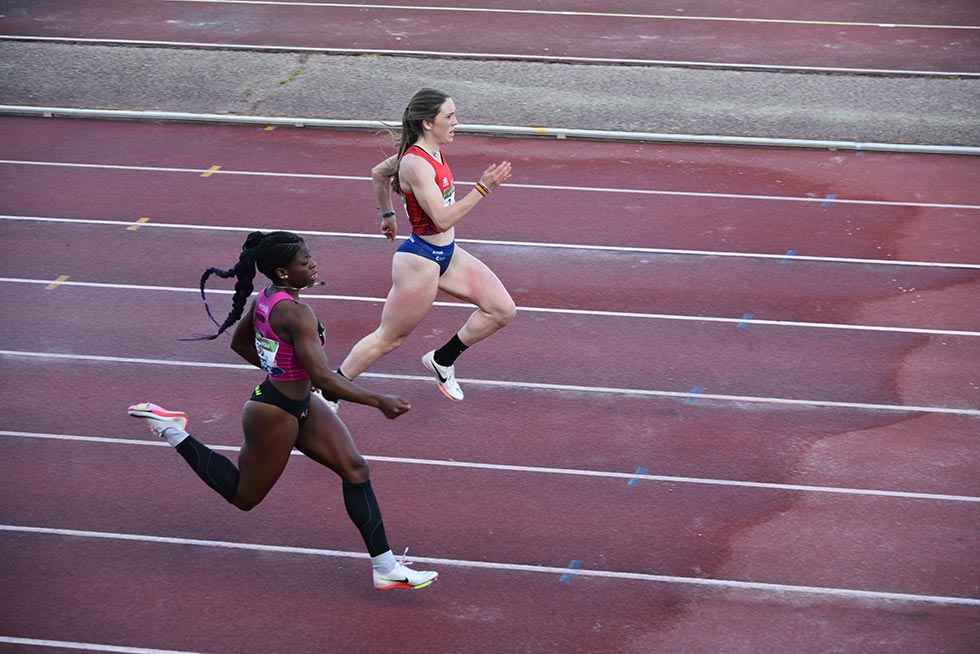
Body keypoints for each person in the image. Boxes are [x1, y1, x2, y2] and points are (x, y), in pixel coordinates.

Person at [127, 230, 438, 591]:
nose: (313, 263)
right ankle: (173, 429)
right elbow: (325, 377)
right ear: (284, 272)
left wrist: (282, 372)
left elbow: (240, 343)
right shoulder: (295, 314)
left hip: (300, 402)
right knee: (244, 497)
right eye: (305, 262)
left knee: (355, 470)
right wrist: (379, 401)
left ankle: (384, 567)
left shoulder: (268, 298)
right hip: (272, 411)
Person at [324, 88, 516, 406]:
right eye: (449, 117)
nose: (457, 122)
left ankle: (442, 360)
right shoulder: (416, 163)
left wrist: (387, 215)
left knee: (502, 310)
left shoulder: (429, 151)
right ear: (428, 123)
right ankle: (329, 392)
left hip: (448, 254)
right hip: (421, 260)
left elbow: (378, 174)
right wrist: (484, 188)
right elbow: (441, 219)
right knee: (389, 338)